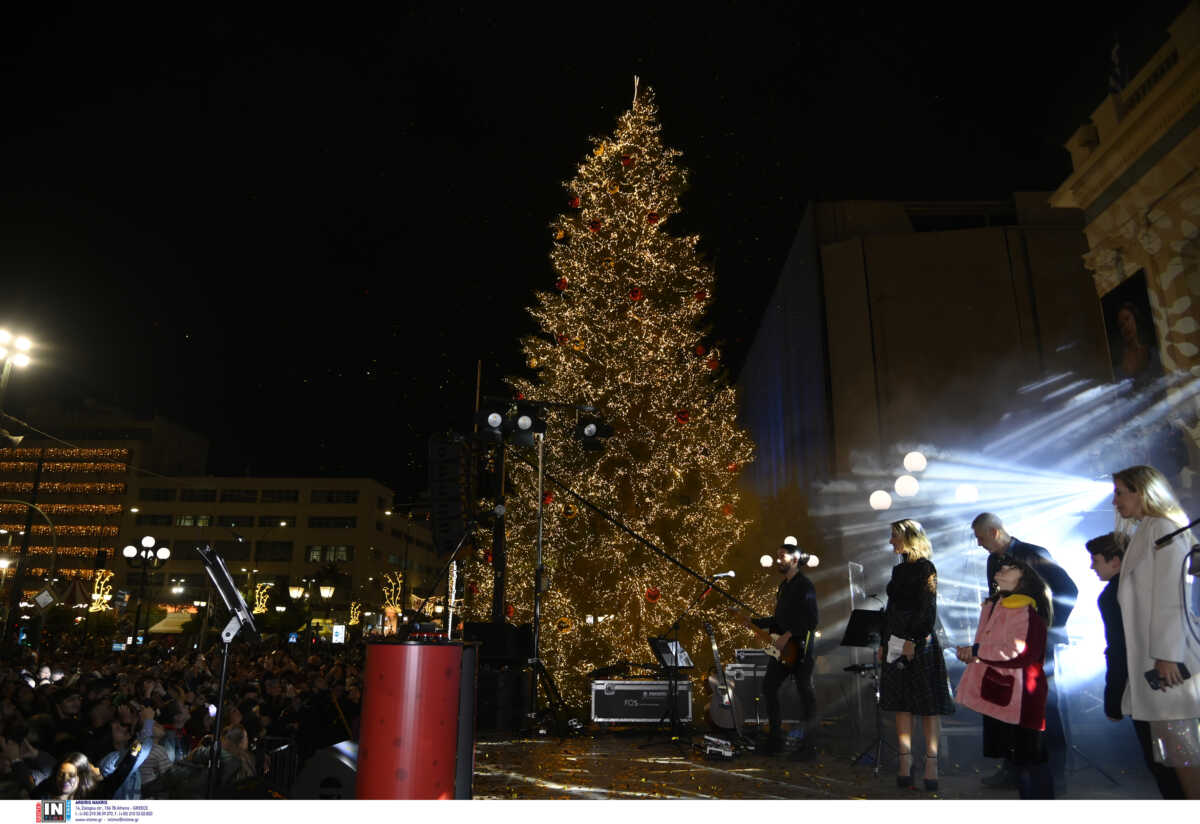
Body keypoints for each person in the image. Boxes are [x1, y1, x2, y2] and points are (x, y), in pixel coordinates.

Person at [1111, 465, 1200, 798]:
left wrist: (1166, 655)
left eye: (1121, 492)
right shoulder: (1147, 530)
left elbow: (1170, 598)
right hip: (1156, 661)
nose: (1115, 500)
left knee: (1184, 755)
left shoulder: (1163, 529)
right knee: (1173, 756)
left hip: (1168, 664)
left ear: (1142, 491)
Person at [971, 512, 1076, 788]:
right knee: (1006, 703)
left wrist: (1050, 627)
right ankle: (1014, 769)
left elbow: (1068, 588)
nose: (979, 544)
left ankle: (1055, 774)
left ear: (994, 532)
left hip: (1036, 644)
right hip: (1006, 645)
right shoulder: (993, 560)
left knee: (1043, 707)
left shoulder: (1033, 553)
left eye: (981, 538)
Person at [1086, 531, 1186, 798]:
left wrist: (1113, 698)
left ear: (1116, 561)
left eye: (1095, 559)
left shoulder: (1112, 596)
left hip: (1146, 684)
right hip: (1175, 678)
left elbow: (1119, 649)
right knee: (1181, 759)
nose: (1092, 566)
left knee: (1161, 762)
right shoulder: (1146, 584)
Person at [955, 557, 1054, 799]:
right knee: (1017, 762)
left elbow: (1018, 652)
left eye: (1011, 568)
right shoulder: (997, 605)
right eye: (1002, 566)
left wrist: (978, 652)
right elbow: (991, 645)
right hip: (1002, 693)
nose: (1002, 569)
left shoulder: (1025, 610)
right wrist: (974, 653)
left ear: (1024, 579)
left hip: (1022, 696)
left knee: (1029, 762)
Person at [878, 519, 954, 791]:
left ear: (909, 537)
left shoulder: (926, 568)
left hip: (919, 640)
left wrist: (913, 639)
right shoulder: (898, 570)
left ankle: (931, 763)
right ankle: (905, 761)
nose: (890, 541)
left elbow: (927, 608)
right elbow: (891, 608)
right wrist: (883, 642)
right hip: (895, 638)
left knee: (927, 704)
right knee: (902, 702)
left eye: (894, 536)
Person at [750, 537, 818, 760]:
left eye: (783, 556)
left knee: (805, 694)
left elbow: (811, 619)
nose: (778, 559)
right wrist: (756, 622)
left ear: (796, 559)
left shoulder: (805, 585)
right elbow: (780, 618)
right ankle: (775, 740)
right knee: (769, 687)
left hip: (800, 649)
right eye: (777, 555)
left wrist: (788, 634)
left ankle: (809, 747)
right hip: (782, 649)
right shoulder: (783, 586)